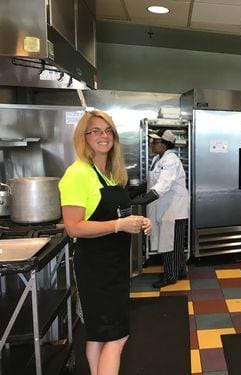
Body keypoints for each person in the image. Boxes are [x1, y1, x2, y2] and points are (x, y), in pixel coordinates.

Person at [59, 109, 152, 375]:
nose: (104, 135)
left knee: (98, 335)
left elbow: (113, 215)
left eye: (108, 130)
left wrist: (135, 222)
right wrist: (120, 225)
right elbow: (73, 226)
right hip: (97, 269)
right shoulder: (77, 173)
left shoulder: (106, 174)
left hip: (113, 266)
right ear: (83, 137)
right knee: (117, 336)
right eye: (96, 131)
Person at [132, 129, 189, 288]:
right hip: (166, 208)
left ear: (164, 144)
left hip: (174, 209)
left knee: (169, 243)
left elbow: (163, 185)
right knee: (175, 243)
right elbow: (152, 181)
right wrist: (135, 191)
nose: (152, 144)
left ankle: (170, 276)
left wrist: (141, 200)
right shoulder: (158, 158)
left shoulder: (171, 160)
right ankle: (180, 271)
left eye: (155, 141)